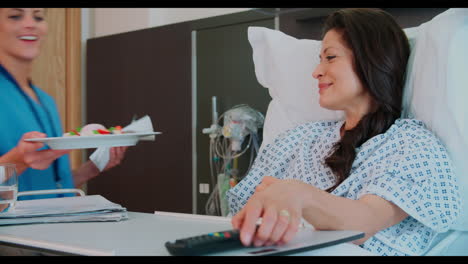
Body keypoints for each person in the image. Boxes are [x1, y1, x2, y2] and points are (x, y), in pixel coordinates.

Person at [226, 8, 461, 256]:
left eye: (330, 57)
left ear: (371, 60)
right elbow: (239, 219)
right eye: (320, 59)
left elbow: (366, 221)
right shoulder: (297, 140)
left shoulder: (412, 145)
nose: (316, 72)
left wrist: (298, 194)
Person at [0, 8, 127, 202]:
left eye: (38, 17)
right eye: (15, 16)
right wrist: (18, 160)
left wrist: (91, 169)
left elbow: (52, 186)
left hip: (49, 229)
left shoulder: (46, 102)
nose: (30, 24)